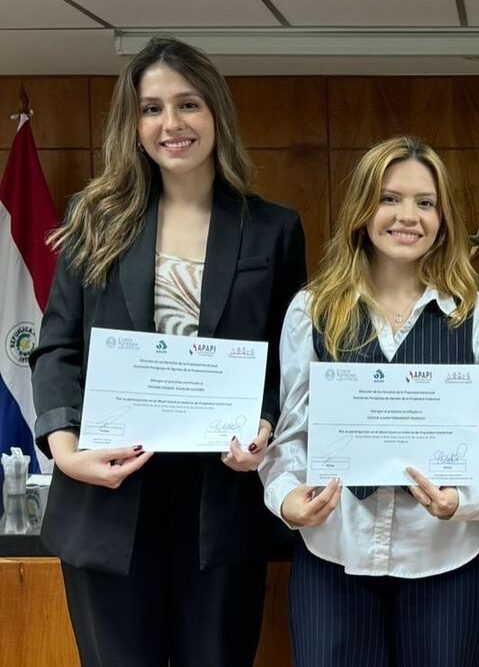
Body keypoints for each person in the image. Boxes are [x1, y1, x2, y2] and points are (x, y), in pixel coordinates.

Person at [29, 38, 307, 666]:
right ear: (132, 124)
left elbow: (285, 361)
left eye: (188, 104)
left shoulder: (273, 228)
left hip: (220, 501)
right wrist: (66, 452)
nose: (171, 124)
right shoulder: (93, 219)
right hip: (106, 497)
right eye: (151, 108)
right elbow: (58, 349)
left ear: (217, 115)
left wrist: (263, 425)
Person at [259, 135, 479, 667]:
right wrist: (285, 497)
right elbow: (288, 437)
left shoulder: (473, 316)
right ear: (362, 209)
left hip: (444, 559)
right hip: (333, 557)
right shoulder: (313, 311)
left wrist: (463, 500)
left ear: (443, 217)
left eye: (425, 203)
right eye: (389, 198)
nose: (408, 216)